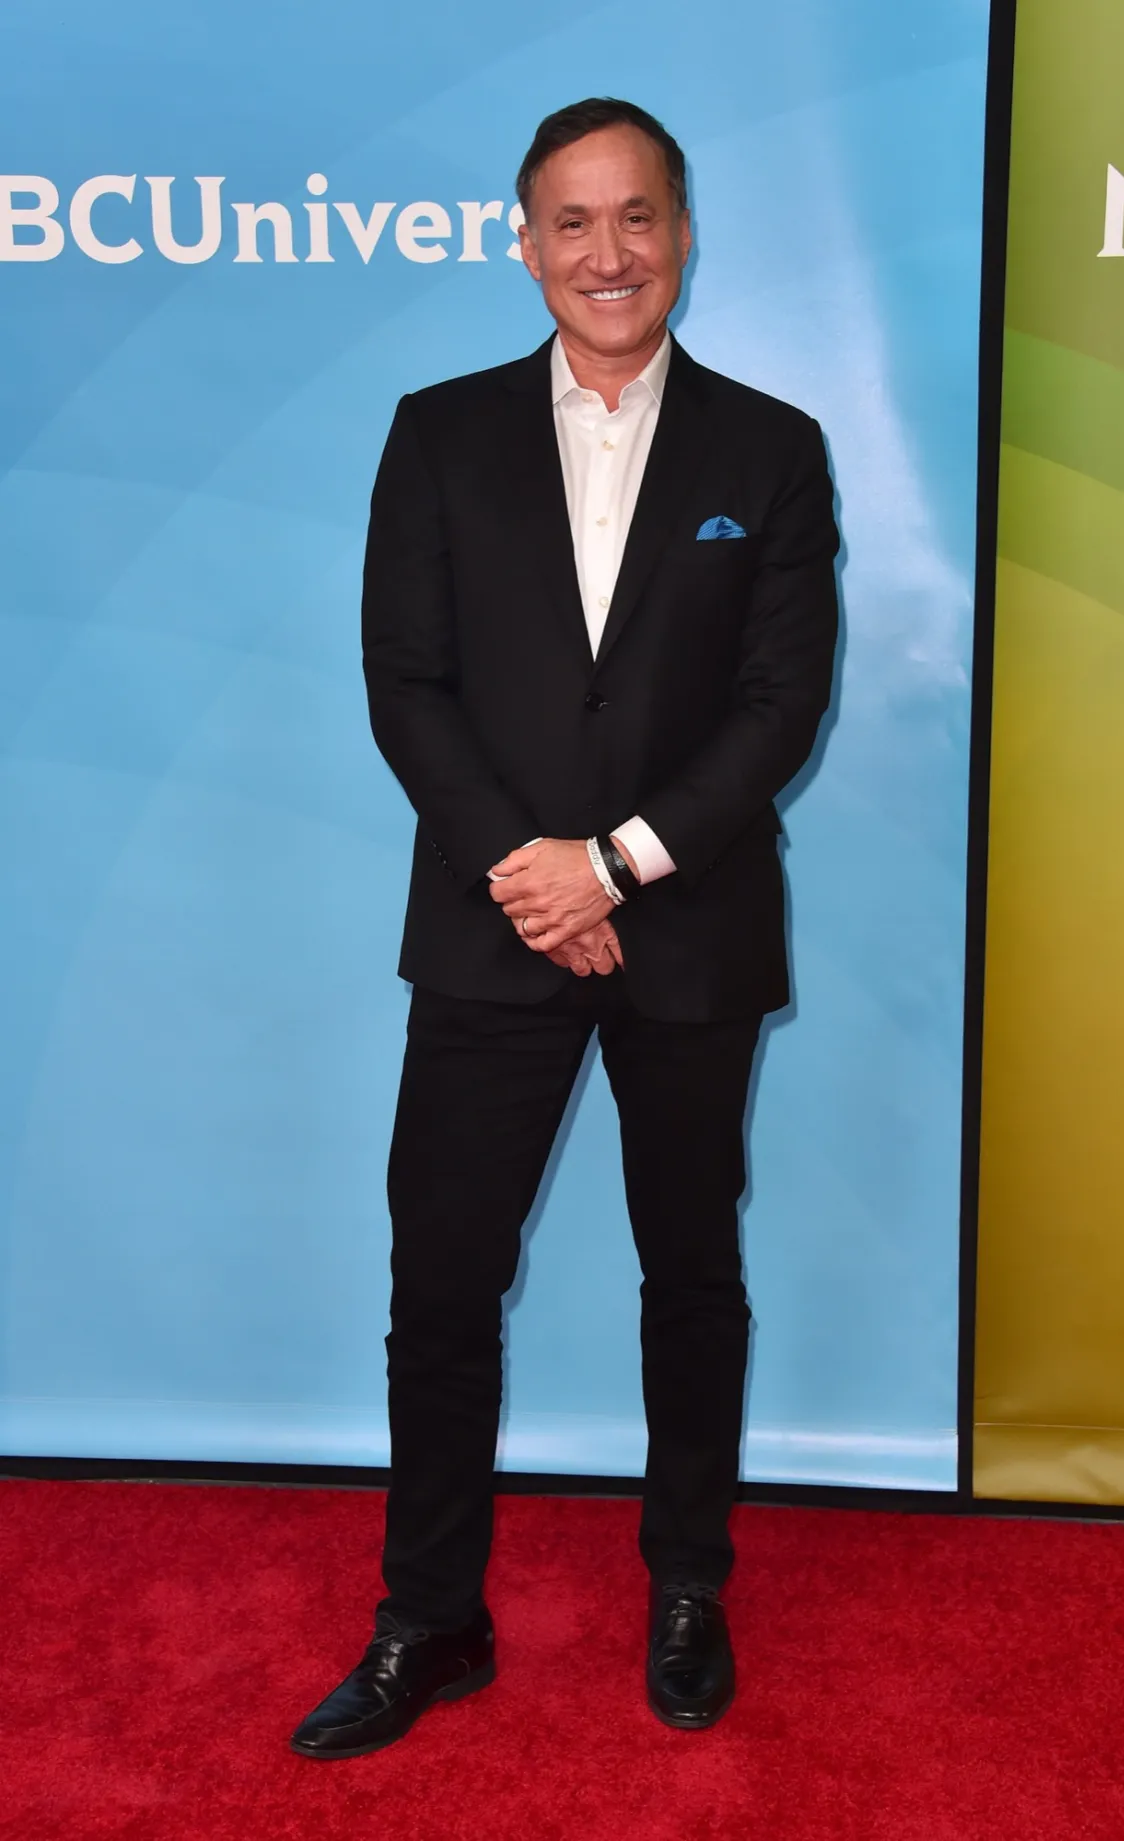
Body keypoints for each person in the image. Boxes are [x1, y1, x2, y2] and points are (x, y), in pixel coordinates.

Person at [291, 95, 839, 1760]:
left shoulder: (771, 447)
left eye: (638, 216)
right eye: (573, 222)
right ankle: (429, 1621)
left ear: (684, 232)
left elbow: (778, 705)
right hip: (491, 927)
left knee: (695, 1273)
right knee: (445, 1283)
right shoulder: (438, 432)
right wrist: (532, 873)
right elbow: (407, 681)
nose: (609, 253)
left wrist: (615, 866)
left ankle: (688, 1587)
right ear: (524, 243)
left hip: (689, 927)